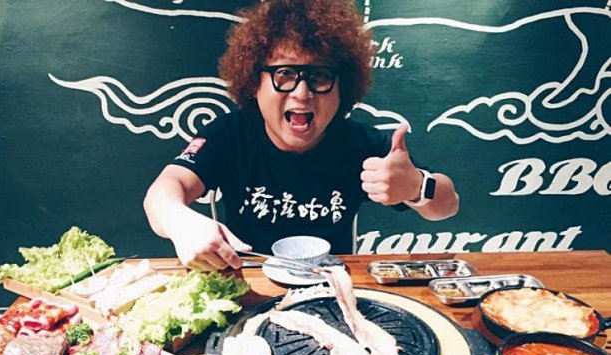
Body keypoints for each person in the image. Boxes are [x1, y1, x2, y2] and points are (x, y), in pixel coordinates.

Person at [144, 0, 459, 272]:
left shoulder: (360, 144)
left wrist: (417, 186)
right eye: (285, 74)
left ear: (342, 87)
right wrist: (178, 221)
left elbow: (448, 205)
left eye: (320, 75)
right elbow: (163, 191)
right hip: (247, 283)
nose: (302, 92)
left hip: (331, 288)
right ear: (254, 83)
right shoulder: (229, 135)